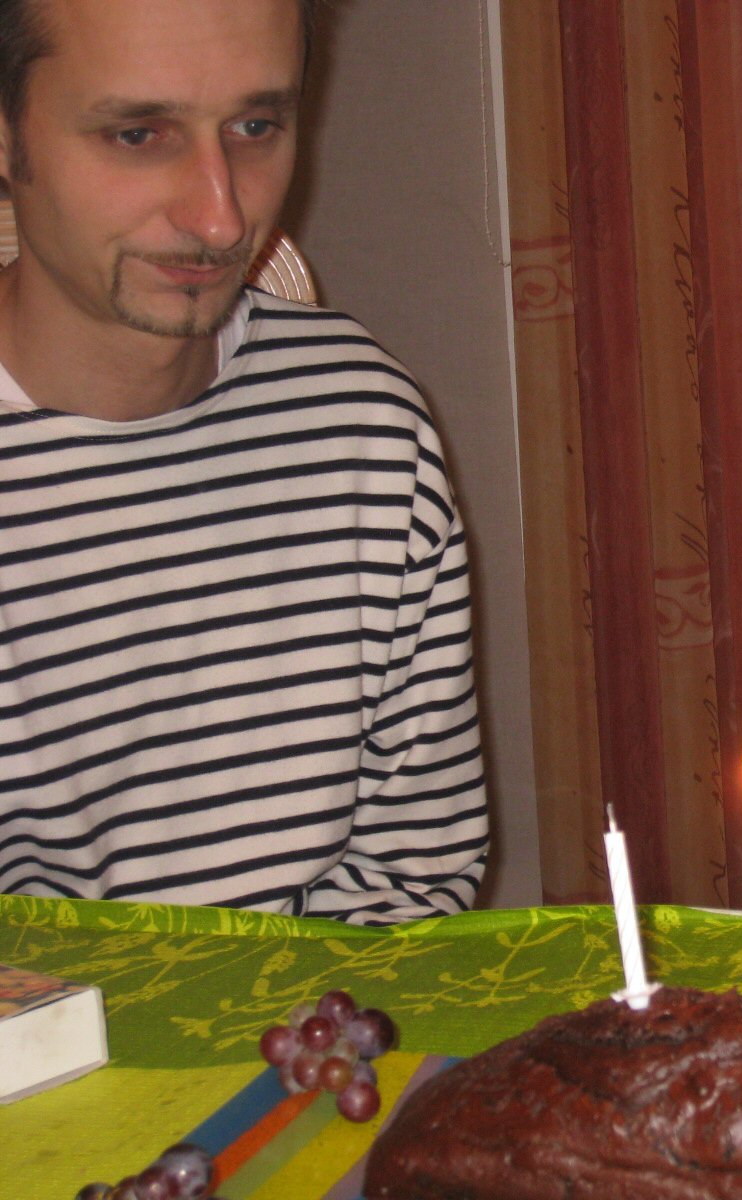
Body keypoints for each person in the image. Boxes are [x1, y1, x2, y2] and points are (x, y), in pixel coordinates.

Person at [0, 0, 489, 922]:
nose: (221, 217)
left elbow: (413, 887)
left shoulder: (364, 427)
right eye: (138, 134)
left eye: (255, 127)